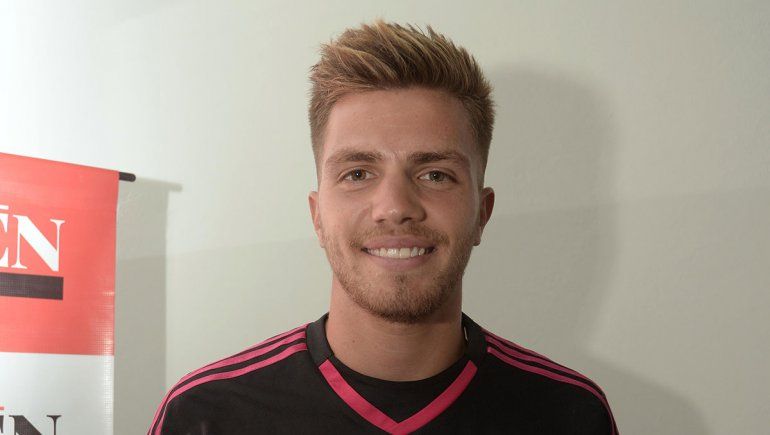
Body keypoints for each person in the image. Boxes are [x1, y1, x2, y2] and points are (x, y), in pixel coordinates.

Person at [148, 20, 618, 434]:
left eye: (435, 174)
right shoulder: (205, 415)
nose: (394, 208)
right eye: (357, 173)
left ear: (482, 213)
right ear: (317, 215)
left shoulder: (571, 415)